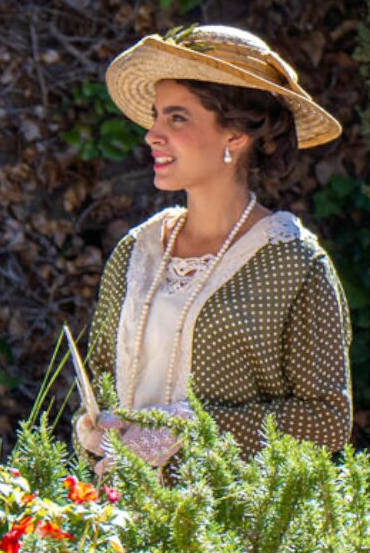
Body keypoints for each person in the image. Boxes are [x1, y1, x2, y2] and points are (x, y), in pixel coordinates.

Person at [82, 25, 352, 463]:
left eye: (177, 117)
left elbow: (327, 419)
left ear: (235, 136)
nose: (153, 134)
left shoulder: (293, 264)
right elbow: (100, 379)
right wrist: (97, 427)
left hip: (230, 523)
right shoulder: (137, 251)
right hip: (119, 516)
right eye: (155, 115)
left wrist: (196, 431)